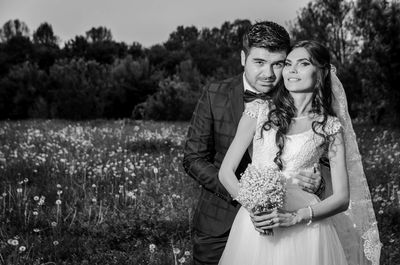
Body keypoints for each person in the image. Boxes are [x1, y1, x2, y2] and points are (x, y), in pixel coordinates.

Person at [218, 40, 381, 265]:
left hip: (307, 229)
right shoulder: (258, 111)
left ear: (321, 73)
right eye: (288, 64)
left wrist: (297, 217)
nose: (292, 70)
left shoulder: (329, 127)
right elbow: (226, 172)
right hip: (255, 223)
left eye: (303, 63)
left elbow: (342, 198)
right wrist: (254, 207)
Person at [182, 21, 324, 265]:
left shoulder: (299, 98)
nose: (268, 74)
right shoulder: (215, 93)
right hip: (219, 224)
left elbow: (318, 154)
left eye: (277, 64)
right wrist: (247, 196)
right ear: (242, 58)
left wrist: (319, 180)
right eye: (259, 62)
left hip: (284, 223)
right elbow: (193, 159)